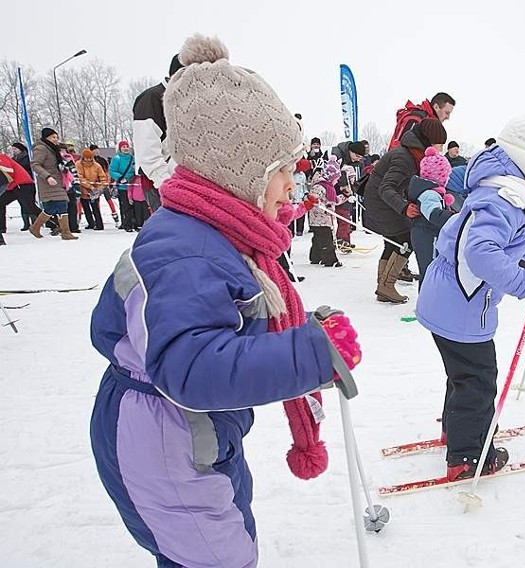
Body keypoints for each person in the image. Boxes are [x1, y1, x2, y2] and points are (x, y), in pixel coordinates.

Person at [89, 34, 362, 568]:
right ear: (237, 171)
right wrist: (308, 355)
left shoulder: (222, 235)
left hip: (202, 434)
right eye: (279, 169)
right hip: (164, 442)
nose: (291, 184)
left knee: (231, 536)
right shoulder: (187, 252)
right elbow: (189, 366)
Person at [415, 116, 525, 482]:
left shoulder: (500, 193)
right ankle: (468, 456)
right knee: (478, 379)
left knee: (463, 376)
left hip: (450, 302)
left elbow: (509, 241)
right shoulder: (502, 198)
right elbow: (484, 254)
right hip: (461, 308)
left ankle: (459, 433)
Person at [363, 118, 448, 304]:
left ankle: (383, 286)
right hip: (382, 202)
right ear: (428, 141)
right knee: (405, 239)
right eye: (439, 145)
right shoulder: (404, 157)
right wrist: (404, 207)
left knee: (394, 240)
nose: (440, 150)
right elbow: (386, 188)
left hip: (383, 200)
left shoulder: (412, 154)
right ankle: (386, 285)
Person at [132, 52, 185, 212]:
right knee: (172, 232)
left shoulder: (185, 99)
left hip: (183, 181)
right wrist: (166, 184)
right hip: (161, 181)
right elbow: (146, 152)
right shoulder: (152, 98)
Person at [407, 146, 455, 287]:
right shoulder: (429, 194)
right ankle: (426, 305)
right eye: (447, 175)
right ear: (439, 176)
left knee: (433, 272)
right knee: (429, 272)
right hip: (426, 236)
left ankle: (432, 303)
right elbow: (434, 215)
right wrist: (455, 217)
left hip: (429, 235)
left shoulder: (433, 193)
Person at [30, 128, 76, 240]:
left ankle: (36, 227)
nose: (55, 139)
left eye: (56, 137)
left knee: (52, 207)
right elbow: (35, 165)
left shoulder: (54, 149)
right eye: (53, 137)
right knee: (61, 203)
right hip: (48, 182)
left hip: (58, 181)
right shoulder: (41, 148)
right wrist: (47, 176)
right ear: (46, 138)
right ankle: (65, 231)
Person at [388, 92, 455, 149]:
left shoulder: (429, 125)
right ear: (436, 107)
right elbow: (399, 148)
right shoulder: (415, 119)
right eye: (447, 113)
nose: (448, 117)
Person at [76, 148, 109, 230]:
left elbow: (103, 178)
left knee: (95, 208)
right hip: (83, 189)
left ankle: (99, 224)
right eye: (86, 158)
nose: (88, 160)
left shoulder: (97, 166)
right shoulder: (78, 165)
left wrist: (100, 188)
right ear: (83, 157)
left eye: (90, 158)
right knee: (86, 207)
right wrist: (90, 187)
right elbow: (79, 177)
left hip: (95, 191)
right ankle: (90, 223)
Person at [109, 141, 138, 232]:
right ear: (120, 148)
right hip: (123, 186)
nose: (126, 148)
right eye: (123, 147)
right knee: (125, 206)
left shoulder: (132, 158)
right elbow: (112, 171)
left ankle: (134, 223)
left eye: (127, 146)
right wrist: (121, 178)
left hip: (133, 186)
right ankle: (126, 224)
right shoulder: (116, 159)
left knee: (134, 205)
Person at [89, 144, 120, 226]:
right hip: (95, 184)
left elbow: (107, 171)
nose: (96, 151)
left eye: (97, 149)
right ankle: (98, 218)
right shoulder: (89, 161)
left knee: (109, 199)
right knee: (96, 201)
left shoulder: (102, 160)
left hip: (104, 182)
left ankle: (115, 215)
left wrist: (109, 181)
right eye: (94, 150)